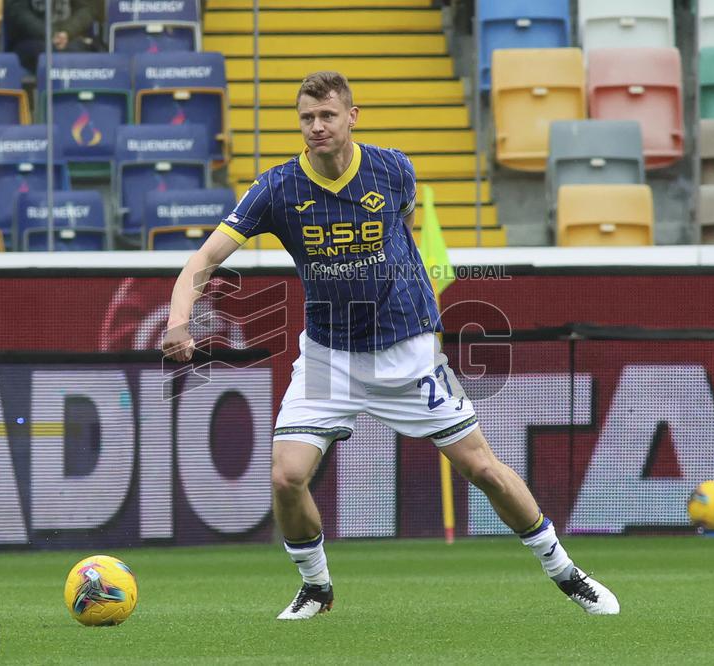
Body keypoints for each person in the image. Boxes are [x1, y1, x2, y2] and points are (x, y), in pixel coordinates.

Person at [162, 71, 619, 620]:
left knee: (483, 469)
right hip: (330, 355)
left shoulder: (393, 168)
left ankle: (567, 573)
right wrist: (179, 321)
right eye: (307, 118)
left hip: (407, 352)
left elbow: (401, 233)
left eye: (327, 115)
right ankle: (316, 588)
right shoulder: (277, 189)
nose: (316, 127)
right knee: (285, 476)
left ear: (352, 116)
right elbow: (203, 261)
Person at [4, 0, 100, 72]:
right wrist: (50, 34)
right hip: (31, 39)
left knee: (79, 53)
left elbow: (86, 9)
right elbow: (17, 11)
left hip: (70, 38)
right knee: (45, 55)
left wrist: (67, 32)